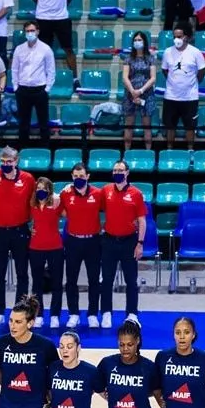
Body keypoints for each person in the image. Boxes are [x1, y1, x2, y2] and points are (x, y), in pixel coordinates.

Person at [0, 146, 35, 327]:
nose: (6, 165)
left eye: (9, 162)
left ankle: (20, 310)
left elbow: (35, 202)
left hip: (20, 231)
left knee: (22, 273)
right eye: (3, 162)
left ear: (17, 161)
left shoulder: (28, 179)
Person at [99, 161, 147, 329]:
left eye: (121, 170)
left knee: (131, 280)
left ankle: (132, 314)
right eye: (115, 170)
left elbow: (142, 220)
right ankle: (106, 313)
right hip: (109, 241)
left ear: (127, 173)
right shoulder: (106, 190)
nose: (117, 172)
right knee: (106, 279)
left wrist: (140, 243)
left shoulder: (136, 193)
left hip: (129, 242)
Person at [60, 163, 103, 329]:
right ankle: (74, 314)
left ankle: (92, 314)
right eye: (76, 176)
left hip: (93, 241)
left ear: (88, 176)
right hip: (73, 241)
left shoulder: (97, 194)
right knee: (71, 279)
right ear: (72, 177)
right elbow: (58, 209)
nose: (79, 179)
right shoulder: (65, 194)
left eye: (82, 176)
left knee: (94, 279)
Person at [31, 0, 77, 78]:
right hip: (43, 18)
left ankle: (74, 79)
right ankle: (42, 77)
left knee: (68, 49)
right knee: (42, 51)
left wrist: (59, 7)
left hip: (61, 18)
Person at [161, 24, 205, 150]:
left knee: (190, 126)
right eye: (175, 37)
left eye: (179, 36)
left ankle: (190, 150)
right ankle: (169, 149)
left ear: (187, 37)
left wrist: (192, 83)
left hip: (190, 97)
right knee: (170, 126)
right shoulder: (167, 52)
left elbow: (202, 71)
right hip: (171, 96)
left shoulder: (195, 52)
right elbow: (165, 70)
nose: (177, 39)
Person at [12, 20, 56, 146]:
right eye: (27, 31)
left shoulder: (46, 49)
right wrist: (16, 87)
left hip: (40, 90)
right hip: (23, 90)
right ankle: (23, 149)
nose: (30, 33)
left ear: (37, 31)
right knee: (23, 123)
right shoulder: (19, 49)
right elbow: (14, 69)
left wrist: (46, 89)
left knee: (43, 122)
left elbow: (51, 71)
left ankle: (45, 149)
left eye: (32, 30)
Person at [29, 177, 63, 329]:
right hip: (36, 247)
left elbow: (70, 213)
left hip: (55, 247)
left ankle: (55, 315)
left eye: (44, 188)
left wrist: (59, 196)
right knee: (37, 284)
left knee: (56, 282)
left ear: (49, 190)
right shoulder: (32, 204)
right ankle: (39, 314)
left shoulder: (56, 203)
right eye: (38, 188)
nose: (41, 190)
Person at [121, 31, 157, 151]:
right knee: (128, 125)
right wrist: (133, 91)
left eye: (139, 40)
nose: (137, 42)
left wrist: (140, 91)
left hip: (146, 95)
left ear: (144, 42)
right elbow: (125, 77)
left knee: (147, 126)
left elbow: (153, 78)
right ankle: (126, 152)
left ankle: (148, 152)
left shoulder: (150, 58)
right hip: (130, 95)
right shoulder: (128, 59)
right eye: (135, 40)